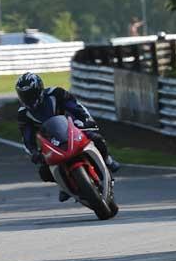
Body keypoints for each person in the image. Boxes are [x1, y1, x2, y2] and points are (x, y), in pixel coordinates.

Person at [15, 72, 121, 202]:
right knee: (44, 172)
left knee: (96, 138)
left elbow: (76, 107)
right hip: (50, 141)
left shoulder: (56, 93)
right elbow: (26, 137)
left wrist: (86, 121)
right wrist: (33, 152)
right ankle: (64, 186)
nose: (28, 98)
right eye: (24, 95)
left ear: (39, 89)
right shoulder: (23, 114)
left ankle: (107, 160)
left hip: (71, 128)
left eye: (30, 94)